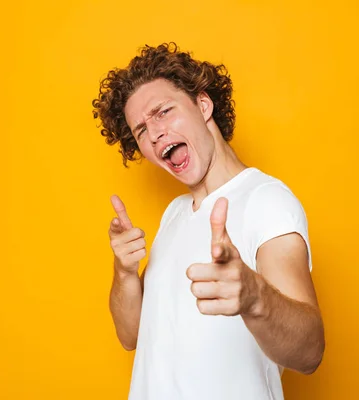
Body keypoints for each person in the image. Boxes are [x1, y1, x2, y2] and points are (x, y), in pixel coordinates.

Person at [92, 42, 325, 400]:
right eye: (140, 130)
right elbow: (131, 335)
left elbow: (310, 352)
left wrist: (254, 296)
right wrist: (124, 272)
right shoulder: (174, 214)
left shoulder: (267, 200)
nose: (154, 134)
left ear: (203, 105)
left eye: (163, 112)